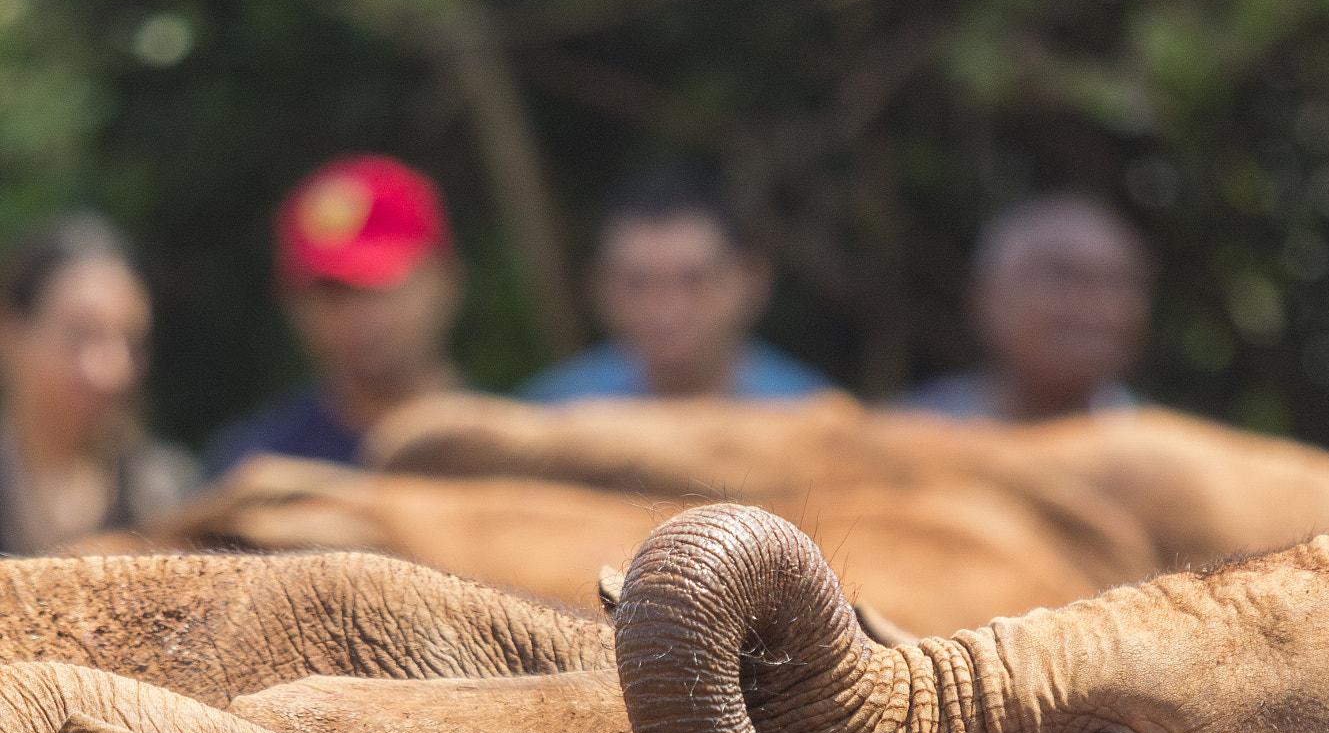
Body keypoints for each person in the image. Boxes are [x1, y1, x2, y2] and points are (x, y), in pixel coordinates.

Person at [202, 155, 464, 477]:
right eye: (330, 295)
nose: (357, 315)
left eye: (377, 283)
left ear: (444, 279)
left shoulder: (517, 441)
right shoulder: (259, 466)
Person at [519, 168, 831, 403]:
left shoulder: (815, 417)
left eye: (694, 281)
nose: (667, 309)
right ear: (599, 286)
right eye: (637, 284)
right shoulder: (552, 416)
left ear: (752, 280)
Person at [0, 214, 193, 556]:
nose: (114, 370)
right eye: (80, 335)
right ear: (10, 333)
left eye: (131, 342)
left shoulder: (164, 494)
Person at [897, 194, 1152, 421]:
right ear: (985, 296)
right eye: (1062, 278)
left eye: (1117, 284)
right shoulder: (903, 438)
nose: (1096, 307)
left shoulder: (1168, 454)